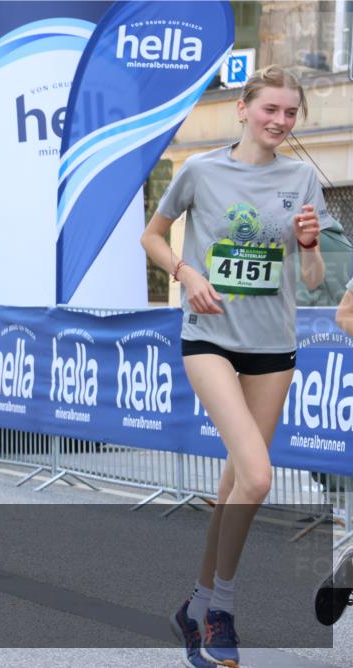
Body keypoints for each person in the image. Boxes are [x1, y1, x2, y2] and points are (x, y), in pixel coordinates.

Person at [140, 66, 326, 668]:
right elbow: (153, 236)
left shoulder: (302, 179)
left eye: (291, 113)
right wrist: (185, 272)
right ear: (243, 109)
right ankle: (221, 608)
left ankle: (195, 603)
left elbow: (316, 282)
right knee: (257, 474)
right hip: (210, 339)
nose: (280, 122)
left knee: (236, 484)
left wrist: (308, 246)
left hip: (273, 347)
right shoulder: (200, 170)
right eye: (270, 109)